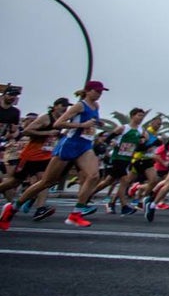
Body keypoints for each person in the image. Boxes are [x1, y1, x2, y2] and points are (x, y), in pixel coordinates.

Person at [2, 81, 111, 229]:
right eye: (97, 91)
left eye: (101, 92)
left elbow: (89, 121)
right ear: (88, 91)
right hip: (70, 144)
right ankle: (14, 207)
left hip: (85, 145)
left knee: (94, 176)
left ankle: (76, 213)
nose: (99, 94)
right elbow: (58, 124)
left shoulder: (96, 106)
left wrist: (97, 124)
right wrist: (81, 126)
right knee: (46, 182)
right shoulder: (79, 106)